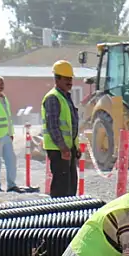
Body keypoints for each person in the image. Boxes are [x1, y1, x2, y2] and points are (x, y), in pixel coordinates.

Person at [42, 60, 80, 197]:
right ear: (57, 79)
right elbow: (52, 126)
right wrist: (63, 147)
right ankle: (57, 215)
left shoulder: (66, 97)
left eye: (71, 78)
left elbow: (71, 125)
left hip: (67, 149)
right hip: (58, 150)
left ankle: (68, 215)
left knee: (70, 187)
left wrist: (76, 147)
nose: (70, 82)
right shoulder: (53, 98)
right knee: (61, 188)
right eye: (66, 79)